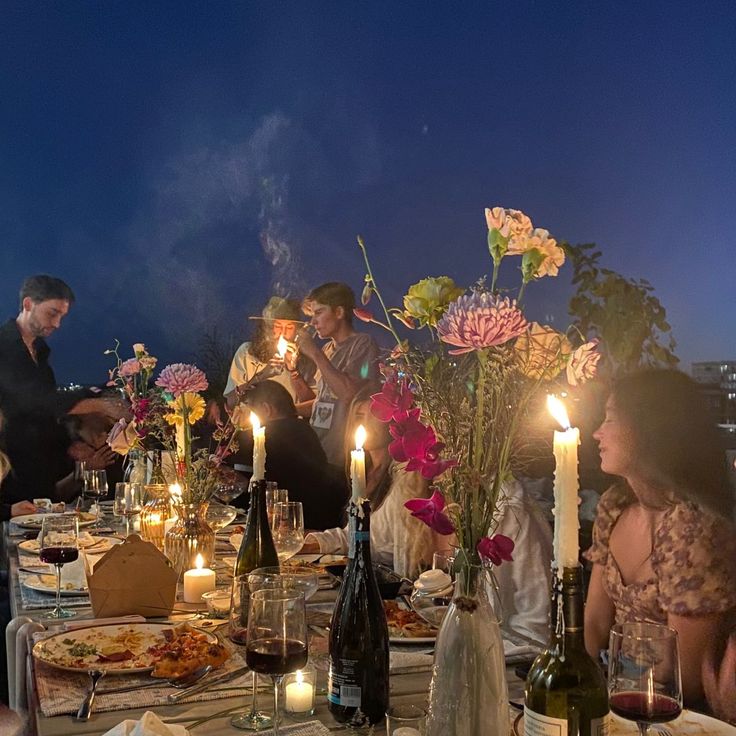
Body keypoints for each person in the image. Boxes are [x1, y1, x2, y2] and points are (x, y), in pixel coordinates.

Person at [584, 369, 736, 706]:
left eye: (610, 418)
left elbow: (686, 675)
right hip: (615, 696)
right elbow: (595, 622)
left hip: (673, 713)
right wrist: (579, 683)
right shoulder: (615, 505)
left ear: (648, 428)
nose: (597, 432)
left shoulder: (694, 530)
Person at [0, 275, 77, 503]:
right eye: (52, 313)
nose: (56, 324)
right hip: (8, 481)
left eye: (61, 316)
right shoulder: (3, 348)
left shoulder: (41, 353)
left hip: (40, 481)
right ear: (28, 304)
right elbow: (35, 401)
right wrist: (93, 402)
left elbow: (45, 417)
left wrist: (73, 446)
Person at [232, 380, 347, 530]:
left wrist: (235, 429)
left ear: (266, 409)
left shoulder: (266, 435)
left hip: (285, 526)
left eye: (248, 410)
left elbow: (221, 460)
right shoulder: (305, 431)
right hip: (321, 522)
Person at [292, 282, 379, 467]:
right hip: (319, 451)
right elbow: (323, 400)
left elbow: (348, 394)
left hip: (343, 459)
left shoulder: (363, 344)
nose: (313, 322)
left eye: (319, 313)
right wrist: (289, 409)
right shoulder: (328, 349)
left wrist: (315, 354)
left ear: (339, 313)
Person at [224, 297, 313, 409]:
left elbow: (313, 407)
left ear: (297, 331)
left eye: (289, 327)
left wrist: (293, 371)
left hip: (288, 426)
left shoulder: (306, 361)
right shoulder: (247, 352)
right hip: (249, 425)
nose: (283, 333)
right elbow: (230, 402)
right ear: (268, 328)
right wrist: (262, 375)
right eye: (278, 326)